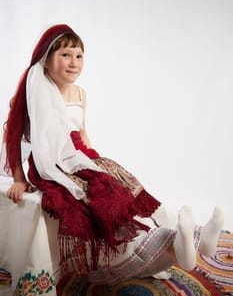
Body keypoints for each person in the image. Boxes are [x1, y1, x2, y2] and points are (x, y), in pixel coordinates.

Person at [1, 24, 224, 282]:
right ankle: (158, 249)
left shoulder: (80, 94)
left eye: (79, 56)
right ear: (46, 59)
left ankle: (192, 239)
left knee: (128, 188)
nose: (74, 63)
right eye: (65, 55)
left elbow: (82, 133)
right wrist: (19, 178)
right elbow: (13, 135)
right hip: (52, 164)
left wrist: (98, 163)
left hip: (80, 157)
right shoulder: (32, 94)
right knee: (100, 204)